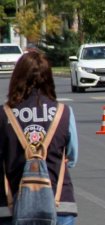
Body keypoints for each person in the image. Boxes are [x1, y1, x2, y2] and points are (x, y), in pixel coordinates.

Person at [0, 51, 79, 225]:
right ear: (48, 78)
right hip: (59, 205)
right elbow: (72, 158)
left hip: (10, 206)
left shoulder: (3, 114)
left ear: (17, 78)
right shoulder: (63, 113)